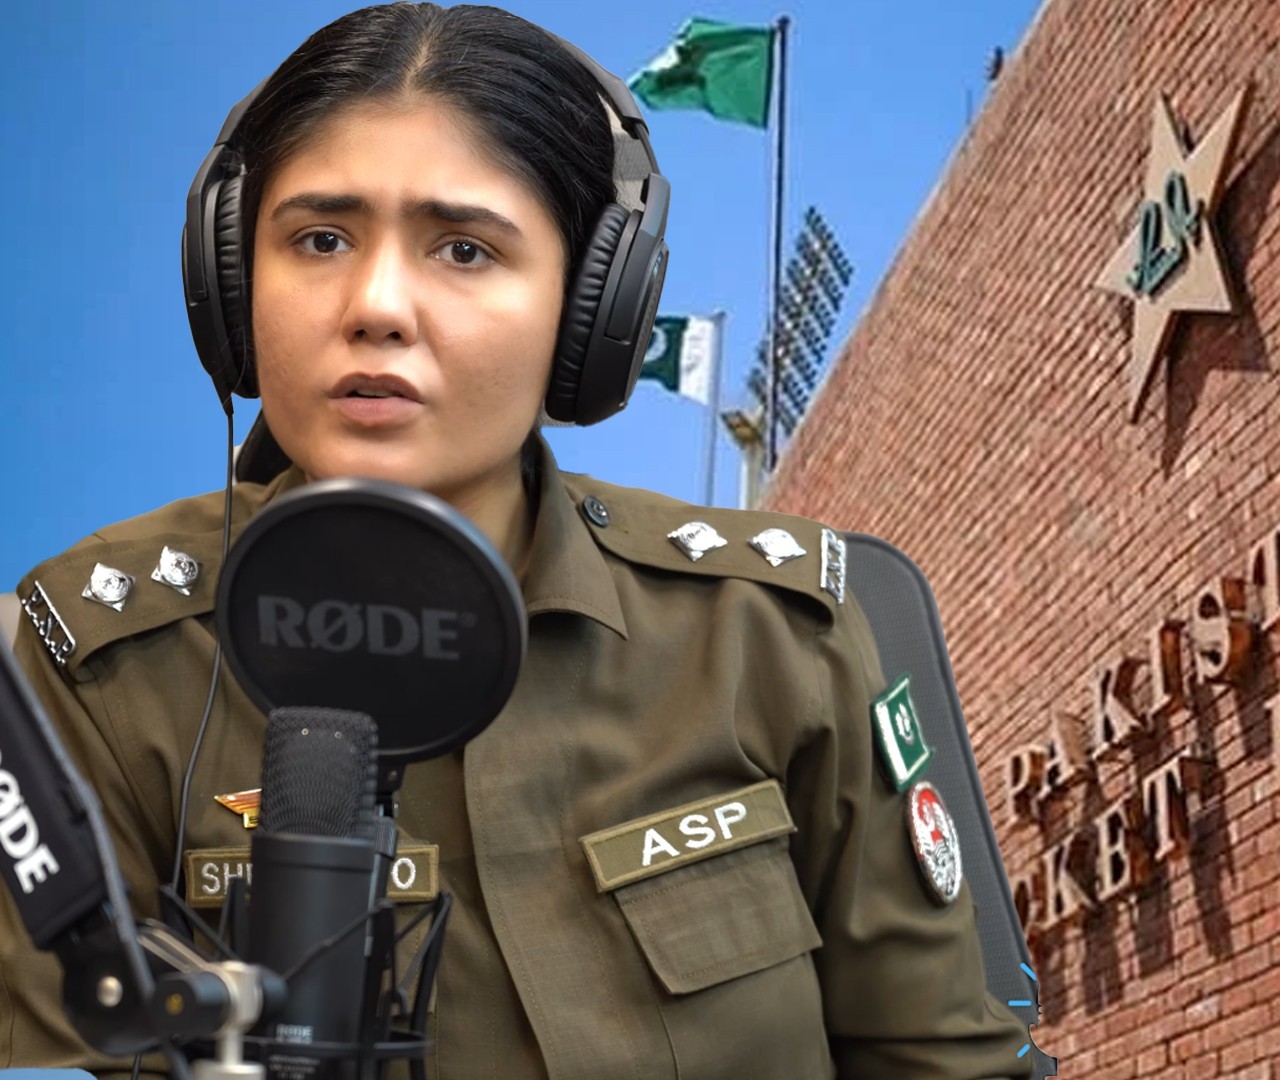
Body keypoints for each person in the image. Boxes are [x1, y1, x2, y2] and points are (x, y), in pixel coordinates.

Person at [0, 4, 1028, 1077]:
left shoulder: (766, 630)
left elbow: (942, 1061)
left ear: (592, 311)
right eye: (319, 239)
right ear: (229, 280)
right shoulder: (95, 668)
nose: (377, 307)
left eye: (464, 248)